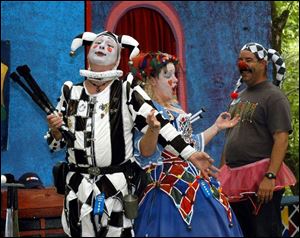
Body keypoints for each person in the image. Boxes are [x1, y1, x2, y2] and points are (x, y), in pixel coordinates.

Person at [45, 31, 216, 237]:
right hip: (77, 186)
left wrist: (190, 154)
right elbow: (57, 144)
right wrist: (55, 131)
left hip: (116, 187)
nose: (101, 46)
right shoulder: (70, 91)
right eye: (98, 43)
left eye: (109, 46)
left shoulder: (127, 89)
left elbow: (159, 124)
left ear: (117, 58)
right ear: (88, 50)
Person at [129, 51, 243, 237]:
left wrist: (216, 127)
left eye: (175, 74)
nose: (174, 80)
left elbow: (189, 146)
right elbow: (145, 152)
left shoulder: (176, 108)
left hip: (195, 180)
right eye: (167, 75)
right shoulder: (147, 111)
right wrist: (153, 129)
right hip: (165, 185)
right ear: (151, 79)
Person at [218, 42, 297, 237]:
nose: (242, 64)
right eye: (240, 60)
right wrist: (221, 174)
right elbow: (230, 137)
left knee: (264, 232)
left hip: (261, 181)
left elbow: (281, 139)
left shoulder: (274, 96)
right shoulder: (239, 97)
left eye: (249, 60)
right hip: (234, 181)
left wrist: (270, 177)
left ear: (263, 64)